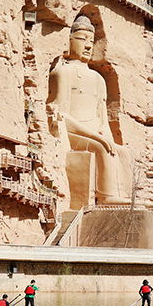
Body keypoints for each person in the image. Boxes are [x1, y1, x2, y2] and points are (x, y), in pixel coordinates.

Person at [47, 15, 132, 204]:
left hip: (95, 133)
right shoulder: (63, 72)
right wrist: (97, 137)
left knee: (123, 152)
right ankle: (106, 197)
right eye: (81, 39)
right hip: (74, 133)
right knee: (101, 148)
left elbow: (102, 120)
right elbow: (61, 116)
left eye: (91, 42)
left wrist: (107, 137)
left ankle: (125, 196)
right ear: (69, 41)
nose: (87, 46)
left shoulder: (99, 79)